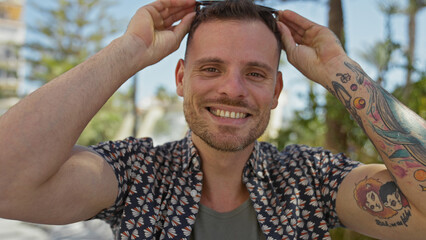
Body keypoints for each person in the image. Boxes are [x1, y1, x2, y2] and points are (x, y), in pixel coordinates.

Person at [0, 0, 424, 239]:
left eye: (255, 74)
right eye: (210, 68)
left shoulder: (312, 181)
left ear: (276, 92)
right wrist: (129, 50)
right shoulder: (135, 175)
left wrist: (338, 70)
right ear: (181, 79)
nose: (232, 89)